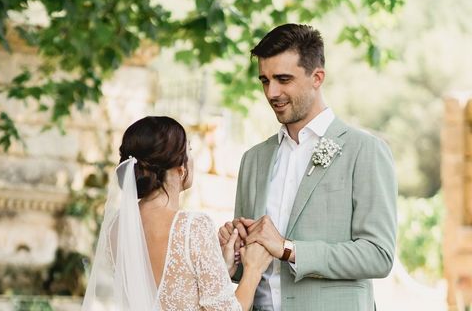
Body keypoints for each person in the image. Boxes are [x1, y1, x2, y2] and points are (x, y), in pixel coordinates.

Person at [218, 23, 397, 311]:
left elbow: (378, 255)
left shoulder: (364, 151)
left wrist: (289, 249)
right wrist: (233, 256)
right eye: (264, 80)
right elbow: (250, 268)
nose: (271, 92)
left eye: (283, 79)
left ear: (317, 77)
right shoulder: (253, 159)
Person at [82, 116, 272, 311]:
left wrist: (220, 268)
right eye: (189, 150)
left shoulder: (116, 227)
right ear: (180, 168)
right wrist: (253, 270)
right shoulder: (192, 226)